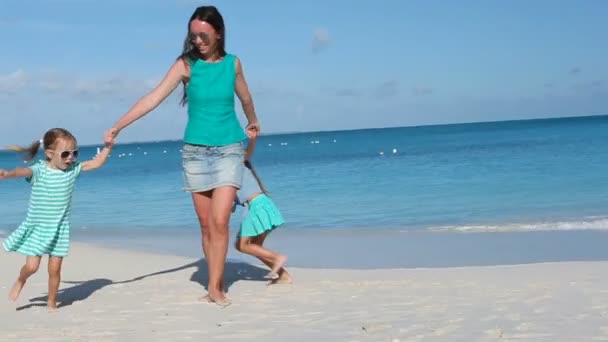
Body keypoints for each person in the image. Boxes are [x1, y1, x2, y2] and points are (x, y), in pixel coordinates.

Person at [104, 5, 259, 306]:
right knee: (205, 225)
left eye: (203, 35)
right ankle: (216, 282)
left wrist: (253, 121)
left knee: (220, 220)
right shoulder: (185, 64)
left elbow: (246, 96)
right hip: (195, 153)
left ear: (218, 33)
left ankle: (215, 287)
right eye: (193, 36)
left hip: (229, 148)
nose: (198, 41)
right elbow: (153, 98)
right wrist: (118, 126)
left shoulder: (233, 64)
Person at [1, 128, 113, 311]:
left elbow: (96, 164)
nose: (71, 158)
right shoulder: (39, 170)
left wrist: (108, 147)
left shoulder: (73, 170)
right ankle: (21, 280)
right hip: (37, 228)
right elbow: (22, 171)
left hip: (59, 229)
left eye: (74, 153)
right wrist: (7, 175)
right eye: (65, 154)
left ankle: (52, 302)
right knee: (32, 267)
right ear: (50, 154)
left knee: (54, 270)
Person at [233, 137, 292, 285]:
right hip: (263, 205)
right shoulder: (237, 174)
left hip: (257, 207)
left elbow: (247, 153)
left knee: (242, 245)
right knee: (254, 247)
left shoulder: (236, 165)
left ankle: (278, 257)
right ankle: (283, 276)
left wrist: (252, 140)